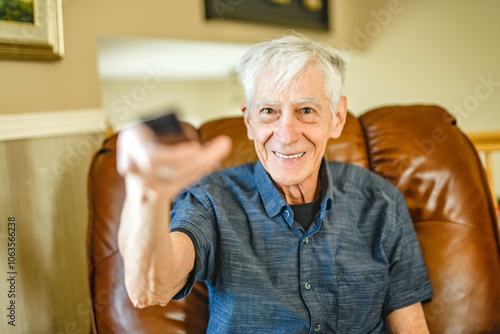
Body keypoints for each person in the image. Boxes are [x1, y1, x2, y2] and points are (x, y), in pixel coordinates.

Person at [116, 34, 433, 333]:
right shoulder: (211, 199)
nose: (286, 134)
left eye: (306, 110)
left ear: (337, 117)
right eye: (269, 111)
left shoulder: (381, 201)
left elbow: (412, 325)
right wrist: (146, 194)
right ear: (249, 120)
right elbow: (150, 288)